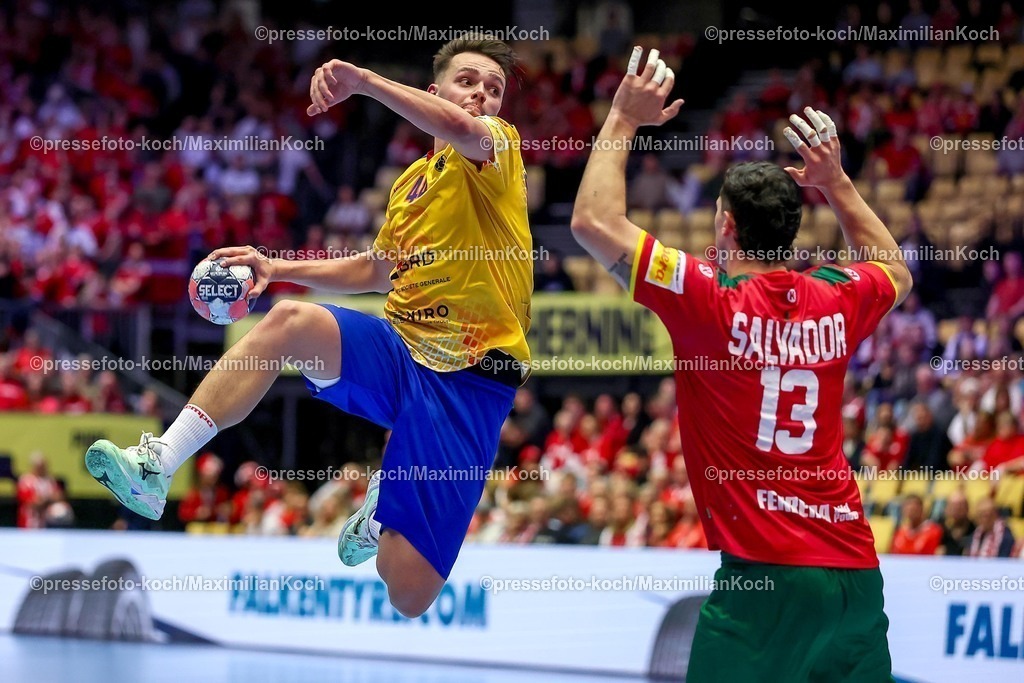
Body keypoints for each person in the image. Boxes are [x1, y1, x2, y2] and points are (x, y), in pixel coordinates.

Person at [84, 37, 532, 618]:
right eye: (468, 81)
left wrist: (366, 82)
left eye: (493, 89)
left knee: (408, 593)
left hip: (471, 379)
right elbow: (375, 269)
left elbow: (462, 128)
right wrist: (277, 268)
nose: (482, 95)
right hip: (402, 349)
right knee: (289, 320)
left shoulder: (498, 146)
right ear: (436, 89)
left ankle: (383, 509)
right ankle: (158, 464)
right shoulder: (411, 185)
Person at [570, 46, 912, 681]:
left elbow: (592, 221)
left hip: (763, 582)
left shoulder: (706, 297)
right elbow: (895, 269)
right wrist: (835, 181)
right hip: (854, 578)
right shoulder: (835, 297)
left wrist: (621, 116)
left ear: (725, 226)